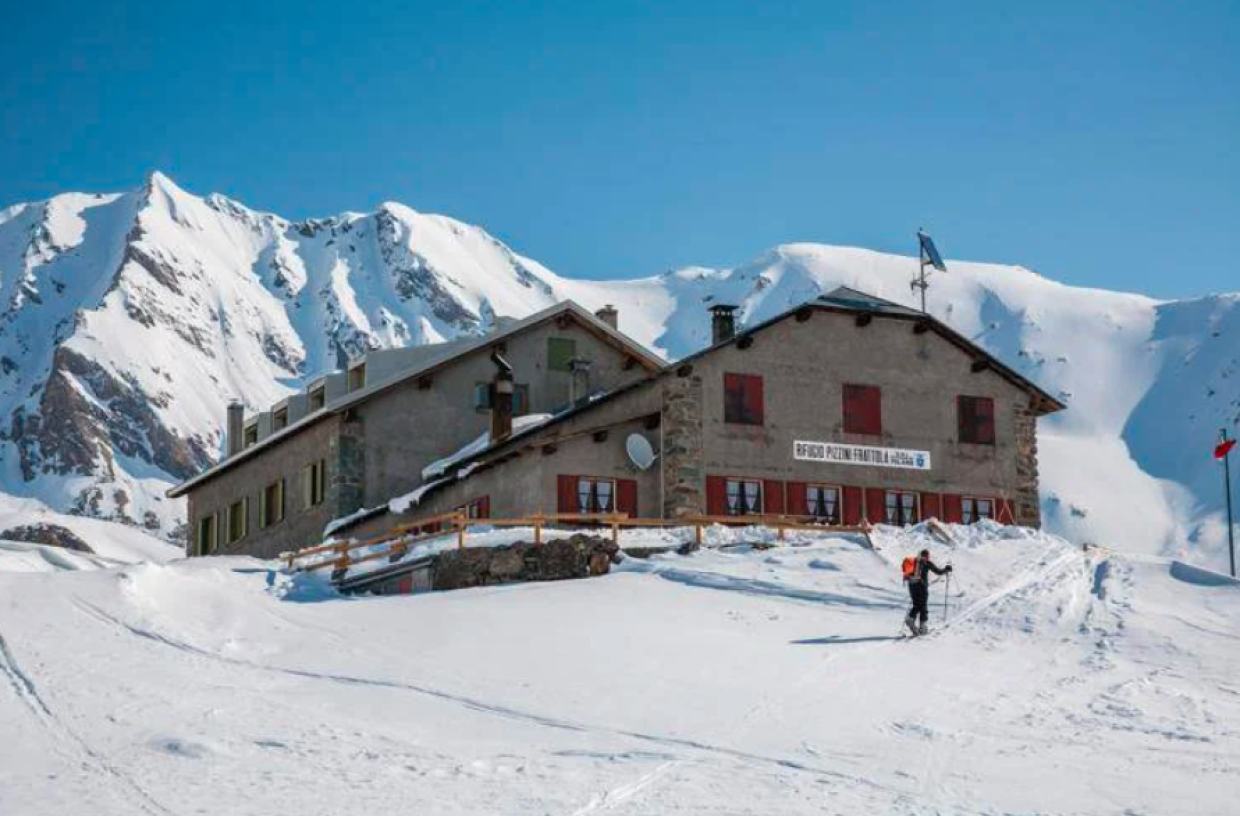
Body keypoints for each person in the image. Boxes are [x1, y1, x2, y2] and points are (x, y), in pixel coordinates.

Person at [904, 549, 951, 636]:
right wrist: (946, 569)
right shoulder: (927, 563)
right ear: (927, 556)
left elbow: (907, 574)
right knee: (923, 605)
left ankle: (910, 618)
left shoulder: (914, 562)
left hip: (911, 586)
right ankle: (923, 627)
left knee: (916, 604)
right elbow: (939, 572)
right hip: (921, 586)